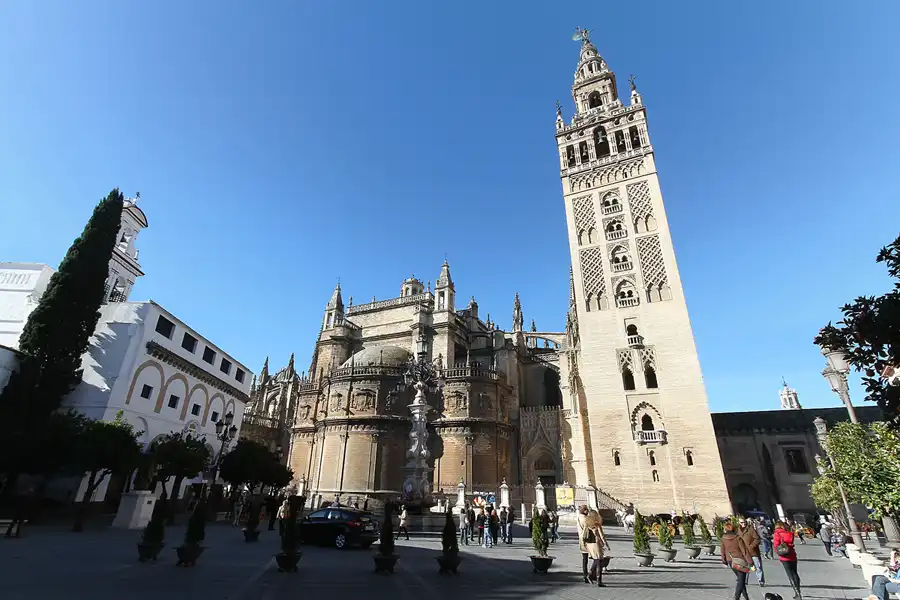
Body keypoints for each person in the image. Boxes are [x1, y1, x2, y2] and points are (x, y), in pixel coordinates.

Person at [721, 521, 754, 600]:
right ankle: (736, 597)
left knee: (740, 579)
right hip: (740, 560)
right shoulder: (738, 538)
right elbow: (744, 551)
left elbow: (722, 550)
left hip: (730, 561)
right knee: (741, 580)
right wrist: (751, 562)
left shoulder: (723, 539)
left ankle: (746, 597)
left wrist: (724, 561)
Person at [774, 520, 802, 599]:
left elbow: (776, 545)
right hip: (792, 554)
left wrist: (778, 552)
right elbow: (791, 542)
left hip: (784, 556)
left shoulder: (777, 533)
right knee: (795, 573)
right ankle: (798, 591)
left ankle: (797, 592)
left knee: (790, 574)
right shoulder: (789, 533)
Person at [583, 509, 611, 587]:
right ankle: (599, 580)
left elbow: (583, 535)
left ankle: (590, 574)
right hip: (596, 544)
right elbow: (602, 536)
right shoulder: (597, 524)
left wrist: (584, 544)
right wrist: (606, 545)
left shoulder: (587, 524)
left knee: (596, 560)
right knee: (599, 562)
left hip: (589, 544)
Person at [739, 517, 765, 587]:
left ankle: (760, 580)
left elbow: (757, 539)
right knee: (746, 567)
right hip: (745, 552)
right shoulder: (738, 531)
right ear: (739, 523)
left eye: (744, 522)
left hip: (753, 552)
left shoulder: (751, 529)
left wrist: (751, 546)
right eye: (741, 522)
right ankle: (745, 581)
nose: (743, 524)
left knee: (758, 567)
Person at [576, 505, 591, 583]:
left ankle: (585, 575)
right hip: (587, 540)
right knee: (597, 558)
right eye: (587, 510)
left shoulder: (579, 517)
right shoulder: (585, 519)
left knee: (585, 559)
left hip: (581, 539)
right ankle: (590, 575)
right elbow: (588, 529)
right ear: (584, 510)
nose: (588, 511)